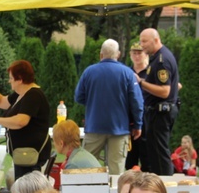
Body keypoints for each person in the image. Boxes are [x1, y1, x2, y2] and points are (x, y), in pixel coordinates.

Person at [0, 60, 50, 180]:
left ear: (20, 79)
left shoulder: (33, 95)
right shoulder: (21, 94)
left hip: (31, 156)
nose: (9, 81)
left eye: (11, 78)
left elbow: (21, 121)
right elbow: (1, 101)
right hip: (23, 155)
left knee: (26, 191)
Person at [74, 38, 143, 175]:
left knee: (86, 167)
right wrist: (137, 124)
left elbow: (78, 97)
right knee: (116, 171)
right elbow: (136, 101)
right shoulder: (127, 73)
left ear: (101, 54)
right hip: (119, 128)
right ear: (118, 54)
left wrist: (94, 101)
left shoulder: (89, 72)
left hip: (94, 127)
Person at [138, 28, 179, 175]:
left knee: (160, 153)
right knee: (154, 153)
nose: (141, 45)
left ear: (156, 40)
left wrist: (141, 83)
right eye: (140, 41)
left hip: (160, 111)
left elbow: (164, 91)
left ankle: (164, 186)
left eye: (144, 41)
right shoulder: (157, 58)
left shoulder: (162, 60)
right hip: (156, 111)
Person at [126, 42, 149, 171]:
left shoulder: (151, 71)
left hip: (147, 116)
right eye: (134, 53)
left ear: (145, 54)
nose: (137, 56)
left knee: (147, 155)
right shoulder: (127, 72)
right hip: (131, 118)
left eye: (139, 53)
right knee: (130, 156)